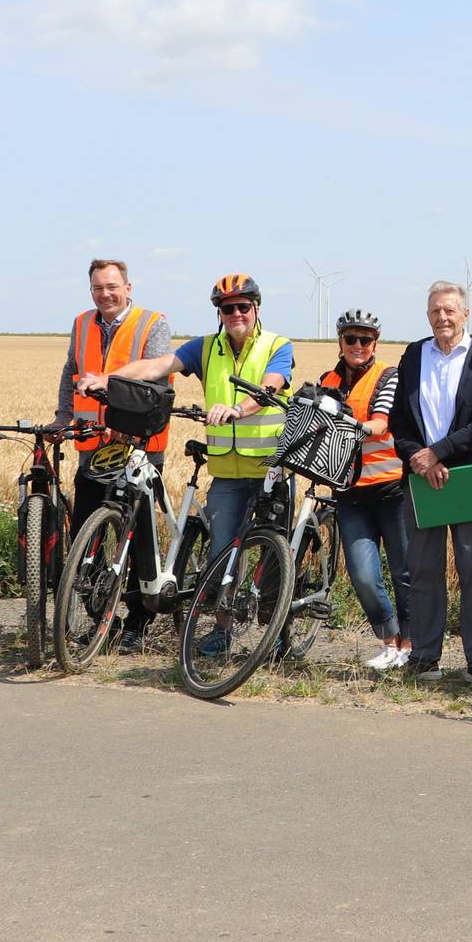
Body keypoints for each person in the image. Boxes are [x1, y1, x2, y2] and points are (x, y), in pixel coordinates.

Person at [98, 273, 292, 566]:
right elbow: (156, 367)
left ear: (256, 309)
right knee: (219, 558)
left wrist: (237, 410)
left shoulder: (277, 345)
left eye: (243, 307)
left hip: (270, 468)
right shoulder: (205, 347)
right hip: (227, 473)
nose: (236, 314)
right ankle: (222, 610)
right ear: (219, 313)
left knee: (273, 563)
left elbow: (270, 386)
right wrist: (107, 378)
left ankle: (270, 610)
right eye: (228, 309)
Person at [393, 282, 472, 685]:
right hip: (422, 476)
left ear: (465, 314)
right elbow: (399, 423)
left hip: (468, 476)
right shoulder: (413, 355)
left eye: (449, 311)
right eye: (435, 311)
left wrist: (439, 452)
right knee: (423, 567)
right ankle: (425, 656)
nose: (442, 317)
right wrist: (420, 459)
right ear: (428, 316)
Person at [54, 258, 171, 653]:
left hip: (139, 446)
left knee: (138, 538)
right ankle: (103, 616)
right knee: (86, 535)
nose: (105, 294)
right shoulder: (82, 323)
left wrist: (127, 416)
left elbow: (156, 377)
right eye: (97, 288)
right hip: (92, 446)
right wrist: (62, 416)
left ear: (128, 287)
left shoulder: (152, 323)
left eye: (111, 286)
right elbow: (71, 371)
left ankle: (138, 622)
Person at [319, 309, 415, 673]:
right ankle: (390, 639)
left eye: (365, 339)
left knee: (404, 572)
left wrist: (351, 423)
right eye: (351, 338)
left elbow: (380, 422)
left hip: (390, 488)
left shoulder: (388, 376)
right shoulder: (327, 379)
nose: (358, 345)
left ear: (375, 342)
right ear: (340, 341)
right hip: (350, 492)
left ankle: (411, 643)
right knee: (362, 574)